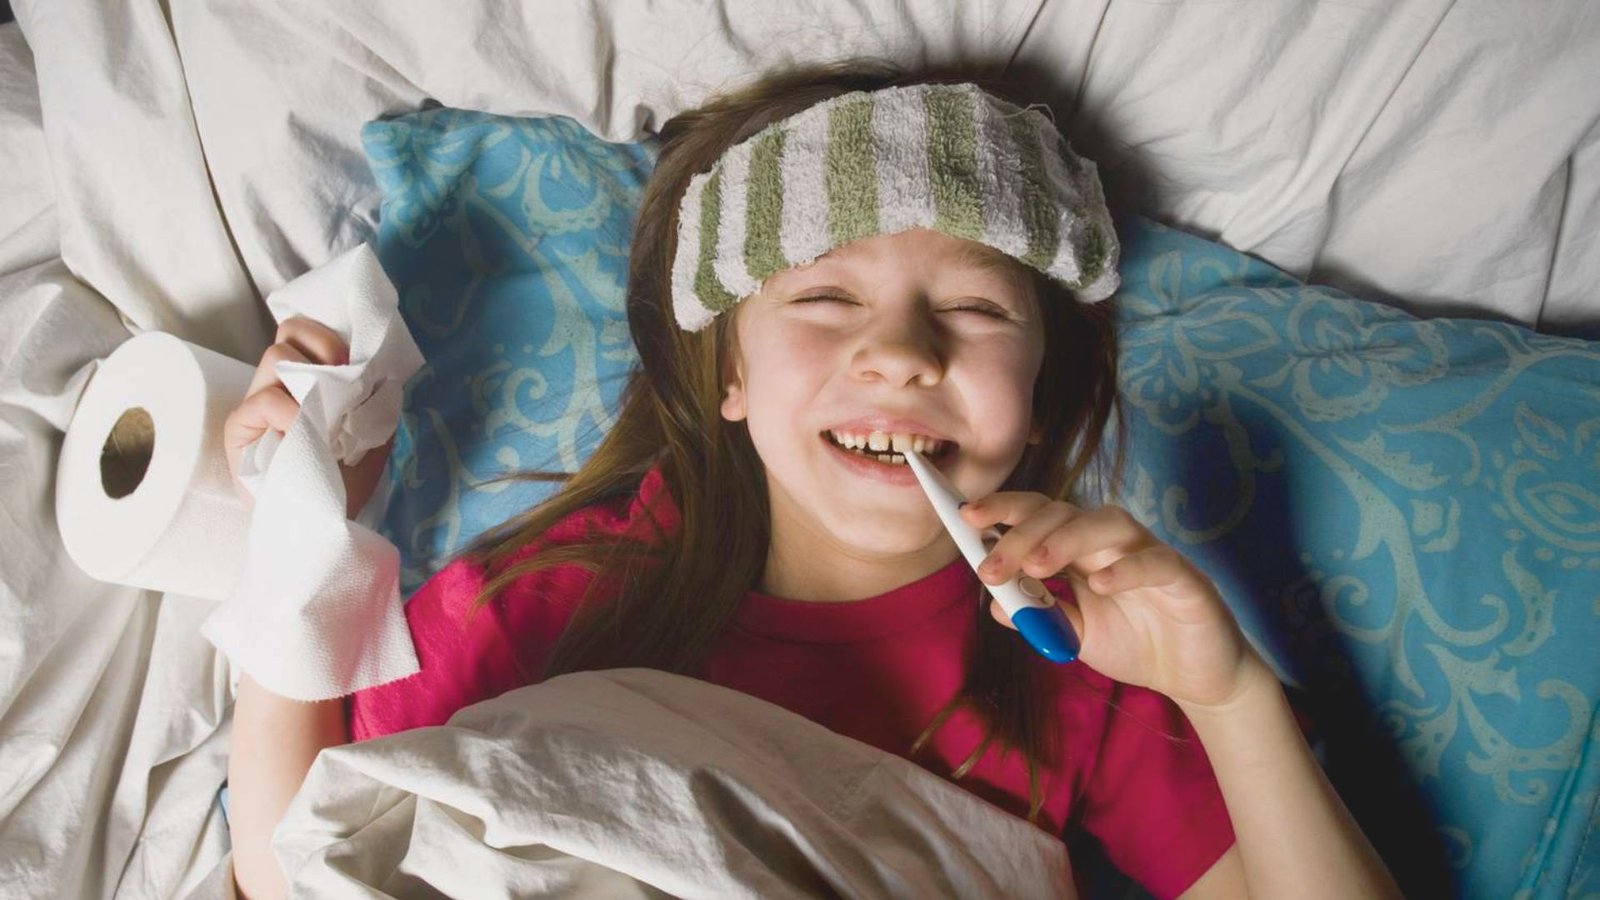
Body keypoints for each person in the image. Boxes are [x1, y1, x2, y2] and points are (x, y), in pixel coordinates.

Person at [223, 61, 1402, 899]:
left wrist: (1230, 695)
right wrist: (303, 536)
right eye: (826, 299)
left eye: (976, 307)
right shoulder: (561, 593)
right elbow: (299, 869)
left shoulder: (1084, 671)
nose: (899, 351)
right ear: (728, 372)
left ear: (1042, 392)